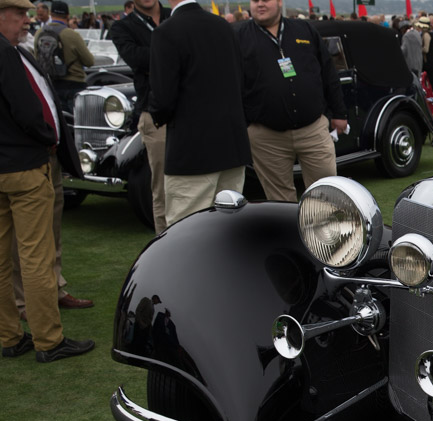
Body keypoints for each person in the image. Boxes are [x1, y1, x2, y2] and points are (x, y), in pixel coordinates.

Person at [1, 0, 94, 362]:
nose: (27, 21)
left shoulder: (14, 51)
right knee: (36, 256)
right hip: (24, 167)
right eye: (19, 14)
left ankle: (10, 336)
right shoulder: (8, 55)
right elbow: (28, 111)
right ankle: (48, 340)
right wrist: (48, 137)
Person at [149, 0, 251, 227]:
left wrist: (157, 115)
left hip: (192, 152)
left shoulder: (166, 32)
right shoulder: (224, 27)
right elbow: (242, 82)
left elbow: (163, 98)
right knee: (228, 228)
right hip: (232, 145)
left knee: (186, 230)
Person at [236, 0, 347, 204]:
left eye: (266, 0)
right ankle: (289, 236)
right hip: (267, 138)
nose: (260, 4)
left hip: (313, 129)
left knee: (326, 193)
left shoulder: (304, 29)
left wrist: (339, 114)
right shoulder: (239, 37)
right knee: (280, 202)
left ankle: (325, 235)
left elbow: (328, 72)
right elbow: (232, 83)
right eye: (254, 0)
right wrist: (247, 125)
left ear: (279, 2)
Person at [109, 0, 171, 233]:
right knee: (162, 184)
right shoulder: (122, 27)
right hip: (154, 113)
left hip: (191, 110)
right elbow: (136, 58)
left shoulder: (175, 14)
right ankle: (166, 241)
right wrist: (179, 55)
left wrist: (157, 59)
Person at [34, 0, 93, 111]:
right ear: (67, 15)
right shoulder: (72, 34)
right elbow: (89, 61)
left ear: (51, 14)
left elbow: (36, 56)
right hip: (74, 85)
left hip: (50, 84)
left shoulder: (39, 33)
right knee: (76, 122)